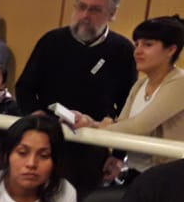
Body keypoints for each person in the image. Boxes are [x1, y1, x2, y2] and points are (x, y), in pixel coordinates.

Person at [14, 0, 136, 195]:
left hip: (91, 148)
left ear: (112, 13)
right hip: (46, 140)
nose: (85, 15)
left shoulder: (123, 50)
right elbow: (25, 87)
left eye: (95, 10)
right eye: (81, 7)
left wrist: (118, 155)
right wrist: (35, 114)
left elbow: (128, 107)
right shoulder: (52, 41)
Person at [73, 15, 184, 175]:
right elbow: (122, 124)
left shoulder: (180, 82)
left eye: (148, 45)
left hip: (167, 177)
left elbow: (139, 127)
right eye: (136, 44)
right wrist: (89, 123)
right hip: (136, 172)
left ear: (171, 50)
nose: (137, 51)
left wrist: (99, 129)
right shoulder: (140, 84)